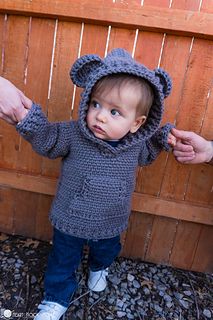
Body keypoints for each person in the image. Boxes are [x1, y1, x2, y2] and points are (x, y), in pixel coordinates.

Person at [0, 48, 176, 320]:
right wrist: (30, 122)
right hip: (70, 217)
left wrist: (163, 139)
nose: (100, 116)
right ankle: (55, 298)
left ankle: (98, 267)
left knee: (107, 249)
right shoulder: (72, 134)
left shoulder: (137, 145)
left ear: (136, 123)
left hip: (110, 220)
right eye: (96, 104)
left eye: (115, 112)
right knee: (62, 260)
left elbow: (150, 152)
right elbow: (48, 140)